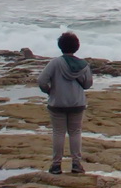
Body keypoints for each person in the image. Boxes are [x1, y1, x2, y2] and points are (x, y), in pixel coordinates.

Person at [36, 31, 95, 174]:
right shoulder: (83, 65)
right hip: (77, 103)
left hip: (57, 103)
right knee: (75, 133)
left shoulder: (55, 63)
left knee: (58, 133)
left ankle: (56, 165)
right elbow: (88, 84)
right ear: (77, 47)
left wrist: (49, 91)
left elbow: (41, 81)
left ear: (60, 46)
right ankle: (76, 164)